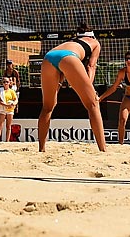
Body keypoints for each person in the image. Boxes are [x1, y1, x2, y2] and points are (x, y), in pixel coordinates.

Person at [37, 23, 105, 152]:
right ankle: (103, 149)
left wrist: (59, 85)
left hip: (49, 57)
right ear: (92, 36)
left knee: (47, 107)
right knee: (93, 104)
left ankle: (42, 149)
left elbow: (60, 69)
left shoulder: (70, 41)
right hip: (68, 57)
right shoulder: (95, 43)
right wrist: (89, 87)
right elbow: (91, 66)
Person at [0, 76, 19, 142]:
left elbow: (16, 100)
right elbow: (0, 101)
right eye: (4, 82)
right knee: (0, 125)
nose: (5, 83)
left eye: (7, 82)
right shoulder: (0, 91)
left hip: (10, 110)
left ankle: (7, 141)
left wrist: (13, 103)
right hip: (3, 109)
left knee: (8, 126)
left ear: (9, 83)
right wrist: (7, 105)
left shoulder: (12, 91)